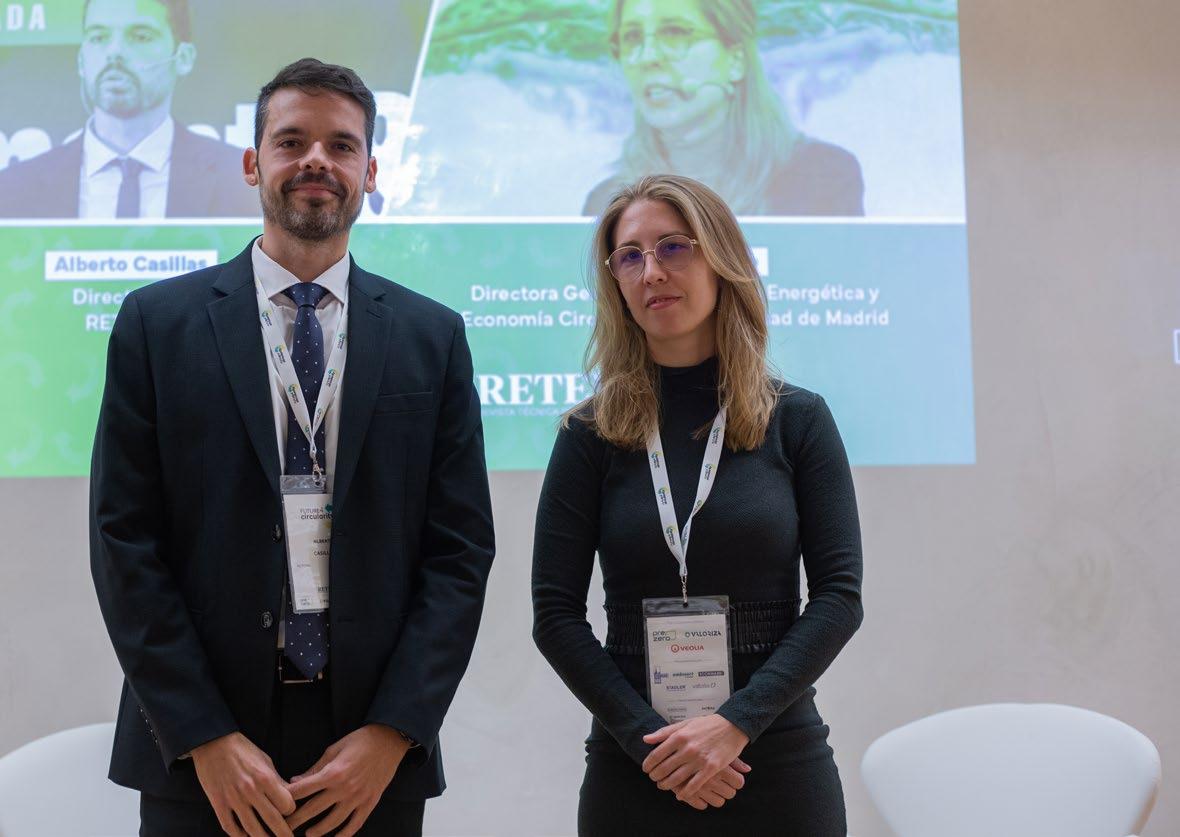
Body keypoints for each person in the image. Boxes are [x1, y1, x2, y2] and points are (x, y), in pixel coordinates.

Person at [90, 57, 494, 836]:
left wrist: (394, 731)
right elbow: (123, 541)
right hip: (203, 757)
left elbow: (460, 552)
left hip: (367, 757)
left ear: (370, 172)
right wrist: (203, 734)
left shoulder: (431, 337)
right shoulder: (156, 325)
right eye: (291, 141)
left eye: (341, 145)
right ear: (253, 163)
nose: (317, 160)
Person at [534, 174, 863, 834]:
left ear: (722, 259)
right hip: (637, 769)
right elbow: (555, 614)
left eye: (673, 247)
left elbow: (838, 597)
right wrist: (652, 743)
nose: (651, 271)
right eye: (629, 256)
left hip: (777, 762)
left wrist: (736, 723)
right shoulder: (589, 434)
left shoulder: (798, 420)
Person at [582, 0, 864, 217]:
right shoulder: (606, 204)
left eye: (675, 33)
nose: (648, 57)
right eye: (632, 38)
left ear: (736, 60)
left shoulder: (823, 177)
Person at [0, 0, 256, 219]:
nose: (114, 52)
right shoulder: (13, 189)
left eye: (140, 36)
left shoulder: (240, 182)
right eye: (98, 37)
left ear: (183, 58)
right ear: (81, 60)